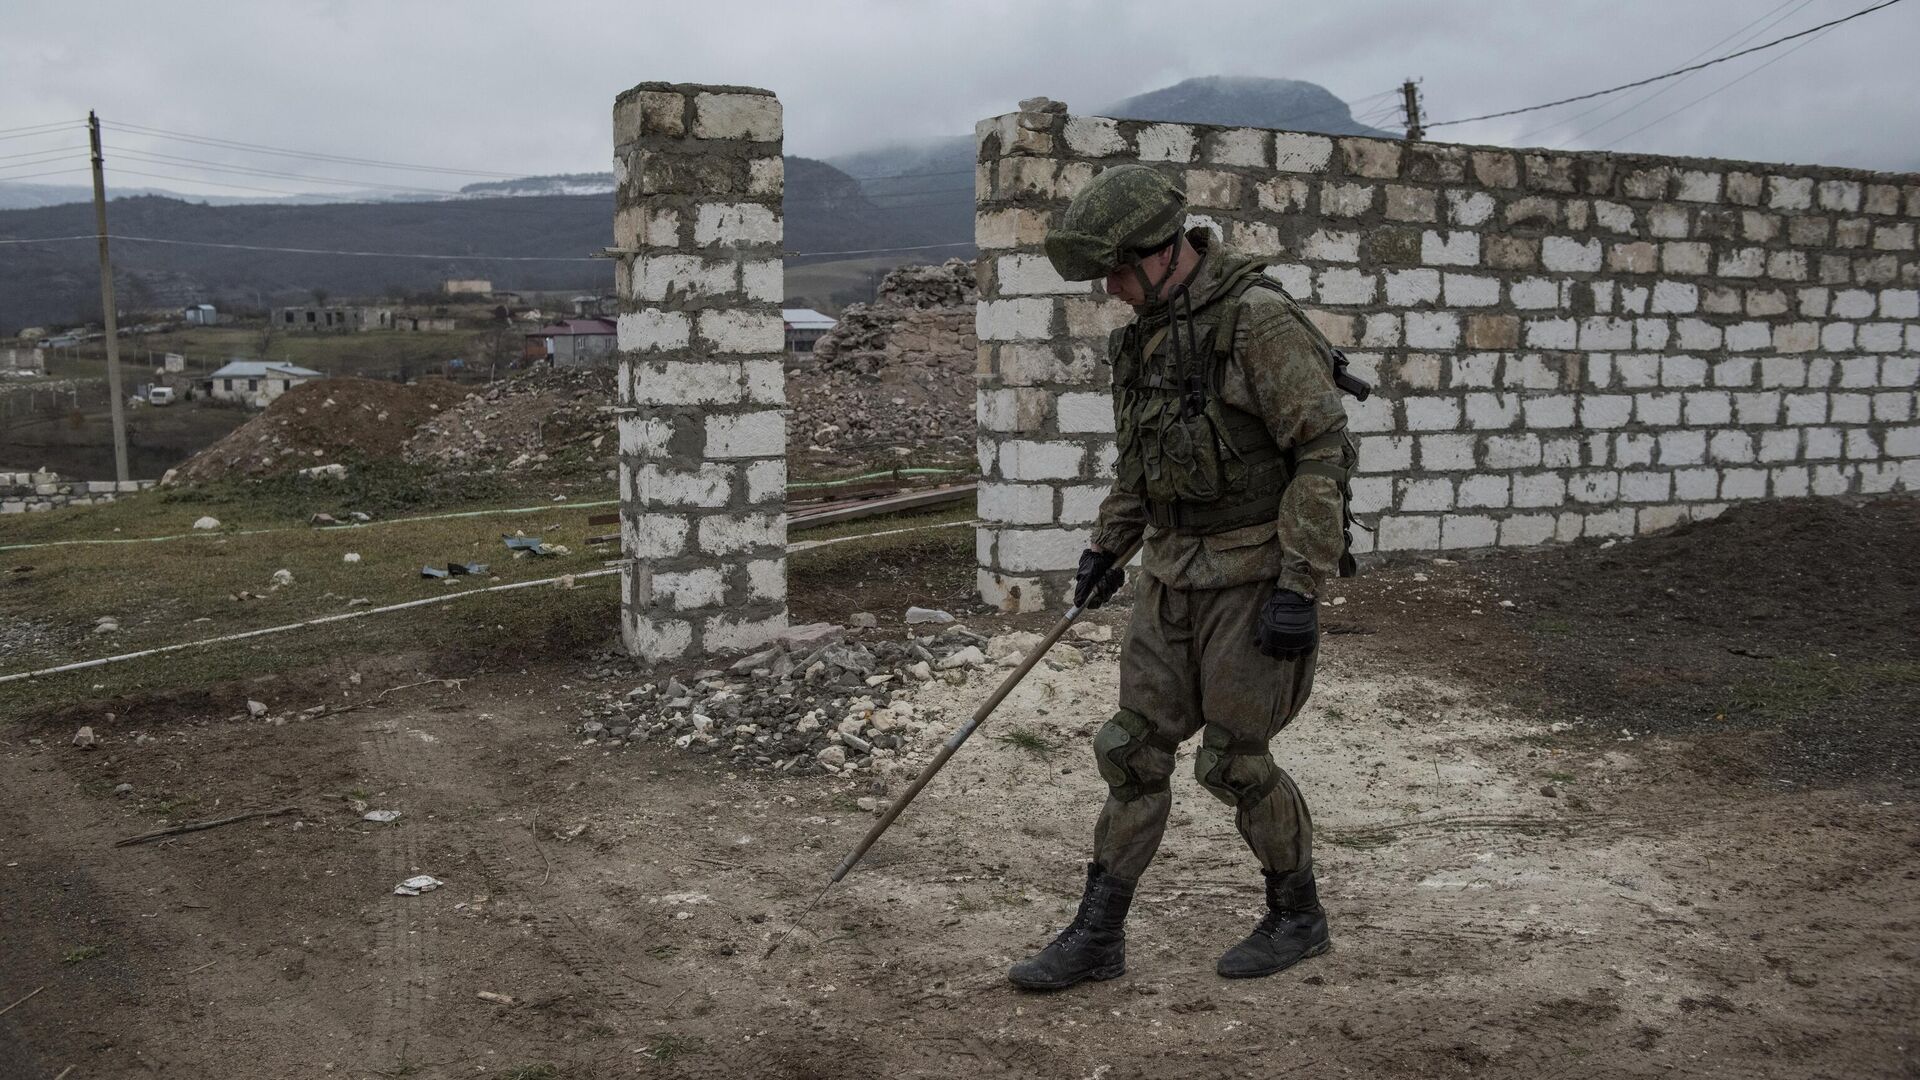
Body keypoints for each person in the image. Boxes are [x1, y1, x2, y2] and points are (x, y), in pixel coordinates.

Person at [1008, 164, 1359, 990]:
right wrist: (1107, 548)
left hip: (1253, 573)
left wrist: (1299, 587)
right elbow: (1142, 462)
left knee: (1235, 762)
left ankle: (1297, 914)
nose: (1112, 288)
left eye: (1120, 270)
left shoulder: (1257, 322)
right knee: (1132, 750)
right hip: (1170, 572)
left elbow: (1320, 452)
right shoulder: (1141, 337)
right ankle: (1098, 936)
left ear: (1166, 251)